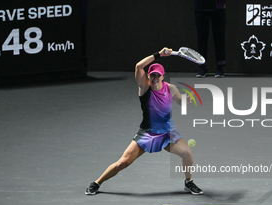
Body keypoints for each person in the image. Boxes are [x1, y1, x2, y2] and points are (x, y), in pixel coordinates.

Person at [85, 47, 203, 195]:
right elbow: (138, 66)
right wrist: (159, 55)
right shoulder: (144, 88)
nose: (155, 78)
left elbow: (181, 102)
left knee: (187, 154)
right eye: (152, 75)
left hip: (168, 133)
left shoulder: (171, 89)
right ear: (148, 76)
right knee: (123, 162)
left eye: (157, 75)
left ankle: (188, 182)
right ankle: (97, 183)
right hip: (147, 133)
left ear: (163, 77)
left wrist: (187, 101)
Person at [194, 0, 226, 78]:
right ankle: (202, 67)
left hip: (218, 6)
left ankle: (220, 67)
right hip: (200, 7)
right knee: (201, 38)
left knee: (219, 37)